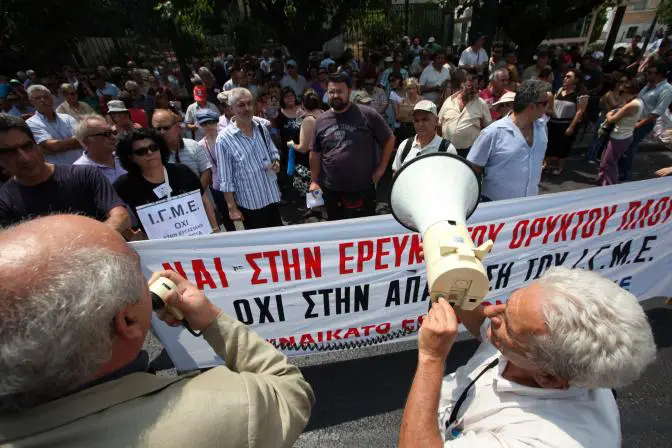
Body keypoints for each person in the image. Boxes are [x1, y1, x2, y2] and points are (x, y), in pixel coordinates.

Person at [0, 215, 314, 446]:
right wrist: (210, 320)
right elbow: (288, 390)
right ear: (127, 322)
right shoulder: (228, 406)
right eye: (136, 269)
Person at [398, 267, 655, 448]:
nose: (492, 313)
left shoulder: (543, 440)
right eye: (509, 304)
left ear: (548, 378)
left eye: (509, 325)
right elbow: (487, 328)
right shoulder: (546, 351)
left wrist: (431, 358)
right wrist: (452, 276)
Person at [0, 114, 130, 232]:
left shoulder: (85, 175)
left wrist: (91, 245)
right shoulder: (4, 201)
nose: (24, 158)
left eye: (27, 146)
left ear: (37, 145)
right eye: (9, 152)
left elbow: (120, 217)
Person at [310, 73, 395, 221]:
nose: (335, 95)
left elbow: (389, 139)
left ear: (349, 91)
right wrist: (314, 181)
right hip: (332, 190)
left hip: (362, 188)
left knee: (364, 232)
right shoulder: (320, 121)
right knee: (337, 232)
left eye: (340, 91)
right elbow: (315, 153)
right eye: (332, 92)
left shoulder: (367, 114)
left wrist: (381, 169)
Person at [113, 128, 218, 237]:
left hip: (198, 238)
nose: (149, 153)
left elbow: (203, 200)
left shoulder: (182, 171)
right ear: (131, 157)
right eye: (141, 151)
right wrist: (130, 235)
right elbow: (111, 214)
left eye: (153, 148)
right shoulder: (125, 185)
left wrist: (215, 229)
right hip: (162, 249)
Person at [467, 79, 550, 201]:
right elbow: (473, 166)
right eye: (545, 103)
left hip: (530, 205)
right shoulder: (493, 132)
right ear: (532, 106)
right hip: (497, 209)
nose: (548, 106)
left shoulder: (542, 127)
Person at [216, 88, 283, 230]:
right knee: (261, 249)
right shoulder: (224, 139)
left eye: (249, 103)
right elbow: (225, 179)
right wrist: (232, 209)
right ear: (231, 108)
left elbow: (272, 150)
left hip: (271, 195)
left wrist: (275, 161)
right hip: (251, 205)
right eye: (241, 105)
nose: (247, 108)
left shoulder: (260, 127)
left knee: (278, 243)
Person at [620, 61, 672, 180]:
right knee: (624, 146)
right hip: (633, 119)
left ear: (659, 75)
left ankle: (624, 173)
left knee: (629, 147)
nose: (647, 75)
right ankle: (620, 168)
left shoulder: (667, 90)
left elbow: (656, 112)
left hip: (643, 123)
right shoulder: (648, 85)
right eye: (647, 72)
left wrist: (638, 125)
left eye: (650, 73)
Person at [152, 108, 213, 191]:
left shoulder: (193, 145)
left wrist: (196, 195)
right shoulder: (152, 154)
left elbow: (206, 172)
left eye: (166, 128)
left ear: (177, 127)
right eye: (158, 129)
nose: (162, 132)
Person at [438, 70, 492, 158]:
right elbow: (439, 124)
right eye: (470, 86)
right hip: (447, 151)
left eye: (476, 87)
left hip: (470, 152)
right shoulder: (449, 101)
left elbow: (488, 129)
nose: (473, 90)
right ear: (462, 85)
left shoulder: (481, 104)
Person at [25, 84, 83, 165]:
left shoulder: (67, 118)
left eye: (45, 97)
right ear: (31, 102)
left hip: (83, 166)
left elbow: (83, 138)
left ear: (51, 99)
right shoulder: (31, 123)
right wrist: (74, 142)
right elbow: (53, 146)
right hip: (61, 172)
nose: (42, 100)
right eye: (37, 98)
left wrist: (50, 149)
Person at [598, 82, 643, 186]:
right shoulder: (638, 101)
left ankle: (609, 185)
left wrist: (609, 113)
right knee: (605, 160)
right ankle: (601, 181)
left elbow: (612, 119)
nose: (619, 94)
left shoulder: (632, 104)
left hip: (620, 137)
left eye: (622, 92)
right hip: (622, 135)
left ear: (631, 93)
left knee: (610, 162)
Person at [392, 100, 456, 173]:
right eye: (416, 120)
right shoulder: (405, 146)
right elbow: (396, 174)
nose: (420, 124)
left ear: (436, 121)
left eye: (425, 119)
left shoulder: (447, 149)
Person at [544, 69, 586, 176]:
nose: (565, 78)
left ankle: (560, 167)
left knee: (563, 146)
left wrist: (572, 126)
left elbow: (579, 111)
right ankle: (546, 164)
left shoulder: (580, 95)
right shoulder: (559, 90)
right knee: (549, 144)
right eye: (565, 76)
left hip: (566, 124)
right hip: (553, 122)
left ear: (576, 79)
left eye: (569, 77)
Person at [73, 114, 127, 184]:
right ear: (87, 142)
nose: (113, 137)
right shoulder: (78, 172)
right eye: (107, 134)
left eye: (113, 132)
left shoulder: (125, 157)